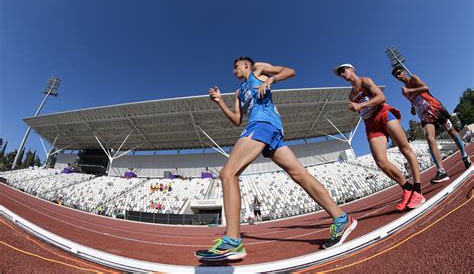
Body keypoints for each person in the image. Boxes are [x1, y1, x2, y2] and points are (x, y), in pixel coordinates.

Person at [195, 57, 356, 261]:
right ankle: (342, 218)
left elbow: (290, 71)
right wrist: (219, 102)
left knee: (228, 173)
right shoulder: (238, 93)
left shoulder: (258, 70)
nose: (233, 70)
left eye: (235, 66)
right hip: (266, 128)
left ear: (246, 65)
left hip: (263, 124)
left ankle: (233, 241)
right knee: (299, 174)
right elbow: (236, 120)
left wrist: (271, 80)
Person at [334, 63, 426, 211]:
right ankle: (407, 187)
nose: (342, 74)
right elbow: (361, 110)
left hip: (383, 114)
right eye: (340, 74)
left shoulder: (365, 81)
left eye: (343, 70)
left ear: (352, 70)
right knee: (381, 162)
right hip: (370, 124)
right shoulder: (351, 95)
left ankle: (418, 191)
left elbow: (381, 97)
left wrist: (361, 106)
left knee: (405, 149)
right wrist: (358, 108)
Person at [391, 66, 472, 183]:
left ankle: (465, 156)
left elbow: (426, 87)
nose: (398, 77)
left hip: (435, 108)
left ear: (404, 72)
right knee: (429, 138)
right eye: (395, 76)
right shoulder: (404, 92)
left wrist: (411, 90)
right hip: (424, 115)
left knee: (451, 131)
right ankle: (441, 171)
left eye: (399, 73)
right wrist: (413, 109)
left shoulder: (413, 79)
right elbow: (413, 101)